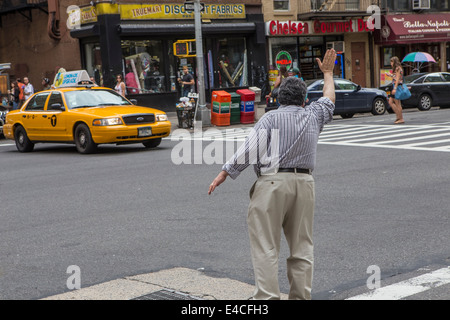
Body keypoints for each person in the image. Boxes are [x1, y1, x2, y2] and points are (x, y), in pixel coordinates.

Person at [208, 49, 337, 300]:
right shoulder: (313, 115)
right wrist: (329, 74)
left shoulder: (270, 119)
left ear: (279, 99)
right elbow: (329, 99)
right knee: (302, 248)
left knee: (266, 247)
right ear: (304, 101)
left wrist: (225, 173)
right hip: (305, 183)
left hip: (272, 183)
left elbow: (248, 151)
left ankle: (267, 299)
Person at [388, 56, 405, 124]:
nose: (390, 63)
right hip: (396, 86)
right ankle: (398, 117)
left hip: (396, 86)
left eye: (392, 62)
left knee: (397, 103)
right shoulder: (398, 69)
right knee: (391, 102)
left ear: (395, 62)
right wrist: (391, 75)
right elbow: (396, 77)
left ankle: (400, 118)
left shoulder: (398, 68)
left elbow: (397, 79)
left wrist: (395, 88)